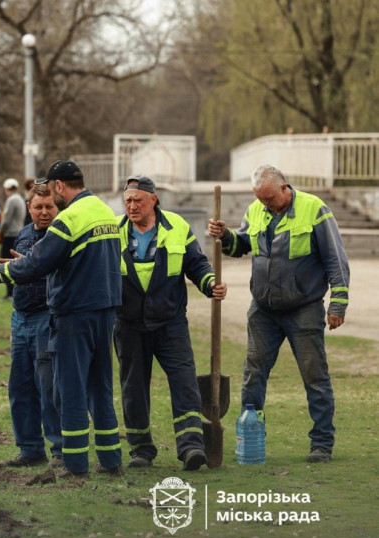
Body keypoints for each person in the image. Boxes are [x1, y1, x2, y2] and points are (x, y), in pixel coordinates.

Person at [0, 159, 123, 477]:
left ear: (59, 186)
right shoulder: (104, 211)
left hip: (74, 314)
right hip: (106, 311)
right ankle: (111, 461)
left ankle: (73, 464)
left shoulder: (69, 219)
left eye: (52, 192)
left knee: (69, 388)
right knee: (100, 388)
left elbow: (37, 264)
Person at [206, 164, 349, 463]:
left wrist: (338, 304)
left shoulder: (315, 209)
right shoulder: (256, 210)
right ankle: (250, 436)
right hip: (263, 310)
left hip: (304, 309)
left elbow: (335, 258)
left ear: (285, 188)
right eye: (260, 199)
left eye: (269, 198)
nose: (264, 204)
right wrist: (225, 235)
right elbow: (241, 245)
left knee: (314, 375)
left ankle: (321, 443)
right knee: (253, 375)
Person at [115, 175, 227, 472]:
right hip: (128, 325)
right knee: (133, 387)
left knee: (184, 383)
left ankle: (191, 447)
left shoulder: (177, 226)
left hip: (170, 322)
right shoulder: (113, 233)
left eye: (138, 200)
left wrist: (210, 283)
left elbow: (197, 264)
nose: (132, 205)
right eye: (127, 200)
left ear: (154, 200)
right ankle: (141, 449)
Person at [0, 183, 63, 468]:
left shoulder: (60, 236)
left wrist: (25, 266)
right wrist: (11, 270)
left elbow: (55, 273)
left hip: (44, 317)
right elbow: (19, 271)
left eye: (49, 206)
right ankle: (29, 449)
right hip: (20, 318)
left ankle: (60, 450)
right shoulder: (23, 234)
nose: (44, 212)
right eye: (38, 207)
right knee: (20, 385)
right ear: (29, 208)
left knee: (48, 386)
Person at [0, 178, 26, 299]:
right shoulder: (20, 199)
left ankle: (10, 292)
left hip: (10, 235)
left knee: (6, 262)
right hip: (18, 233)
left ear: (7, 189)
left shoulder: (11, 200)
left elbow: (6, 220)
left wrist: (0, 232)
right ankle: (14, 292)